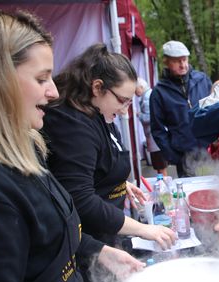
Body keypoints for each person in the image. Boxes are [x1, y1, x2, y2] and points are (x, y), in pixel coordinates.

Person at [0, 7, 153, 282]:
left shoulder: (27, 149)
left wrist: (99, 250)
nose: (54, 92)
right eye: (41, 78)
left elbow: (55, 224)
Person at [42, 44, 175, 251]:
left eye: (130, 103)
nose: (124, 111)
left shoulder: (99, 111)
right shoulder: (72, 125)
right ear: (97, 87)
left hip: (107, 235)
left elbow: (98, 164)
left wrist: (118, 183)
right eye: (122, 101)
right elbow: (80, 199)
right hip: (86, 243)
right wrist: (142, 229)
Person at [150, 40, 212, 176]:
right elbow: (157, 129)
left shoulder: (202, 80)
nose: (183, 65)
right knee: (190, 194)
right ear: (166, 61)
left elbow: (216, 109)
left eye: (184, 59)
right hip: (184, 157)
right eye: (177, 61)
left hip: (209, 152)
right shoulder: (159, 92)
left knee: (209, 191)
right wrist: (173, 156)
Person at [136, 77, 167, 176]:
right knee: (160, 166)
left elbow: (148, 118)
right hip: (157, 136)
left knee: (160, 167)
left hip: (154, 138)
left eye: (135, 89)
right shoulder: (150, 94)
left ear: (141, 87)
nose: (134, 92)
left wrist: (139, 115)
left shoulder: (147, 98)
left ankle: (165, 187)